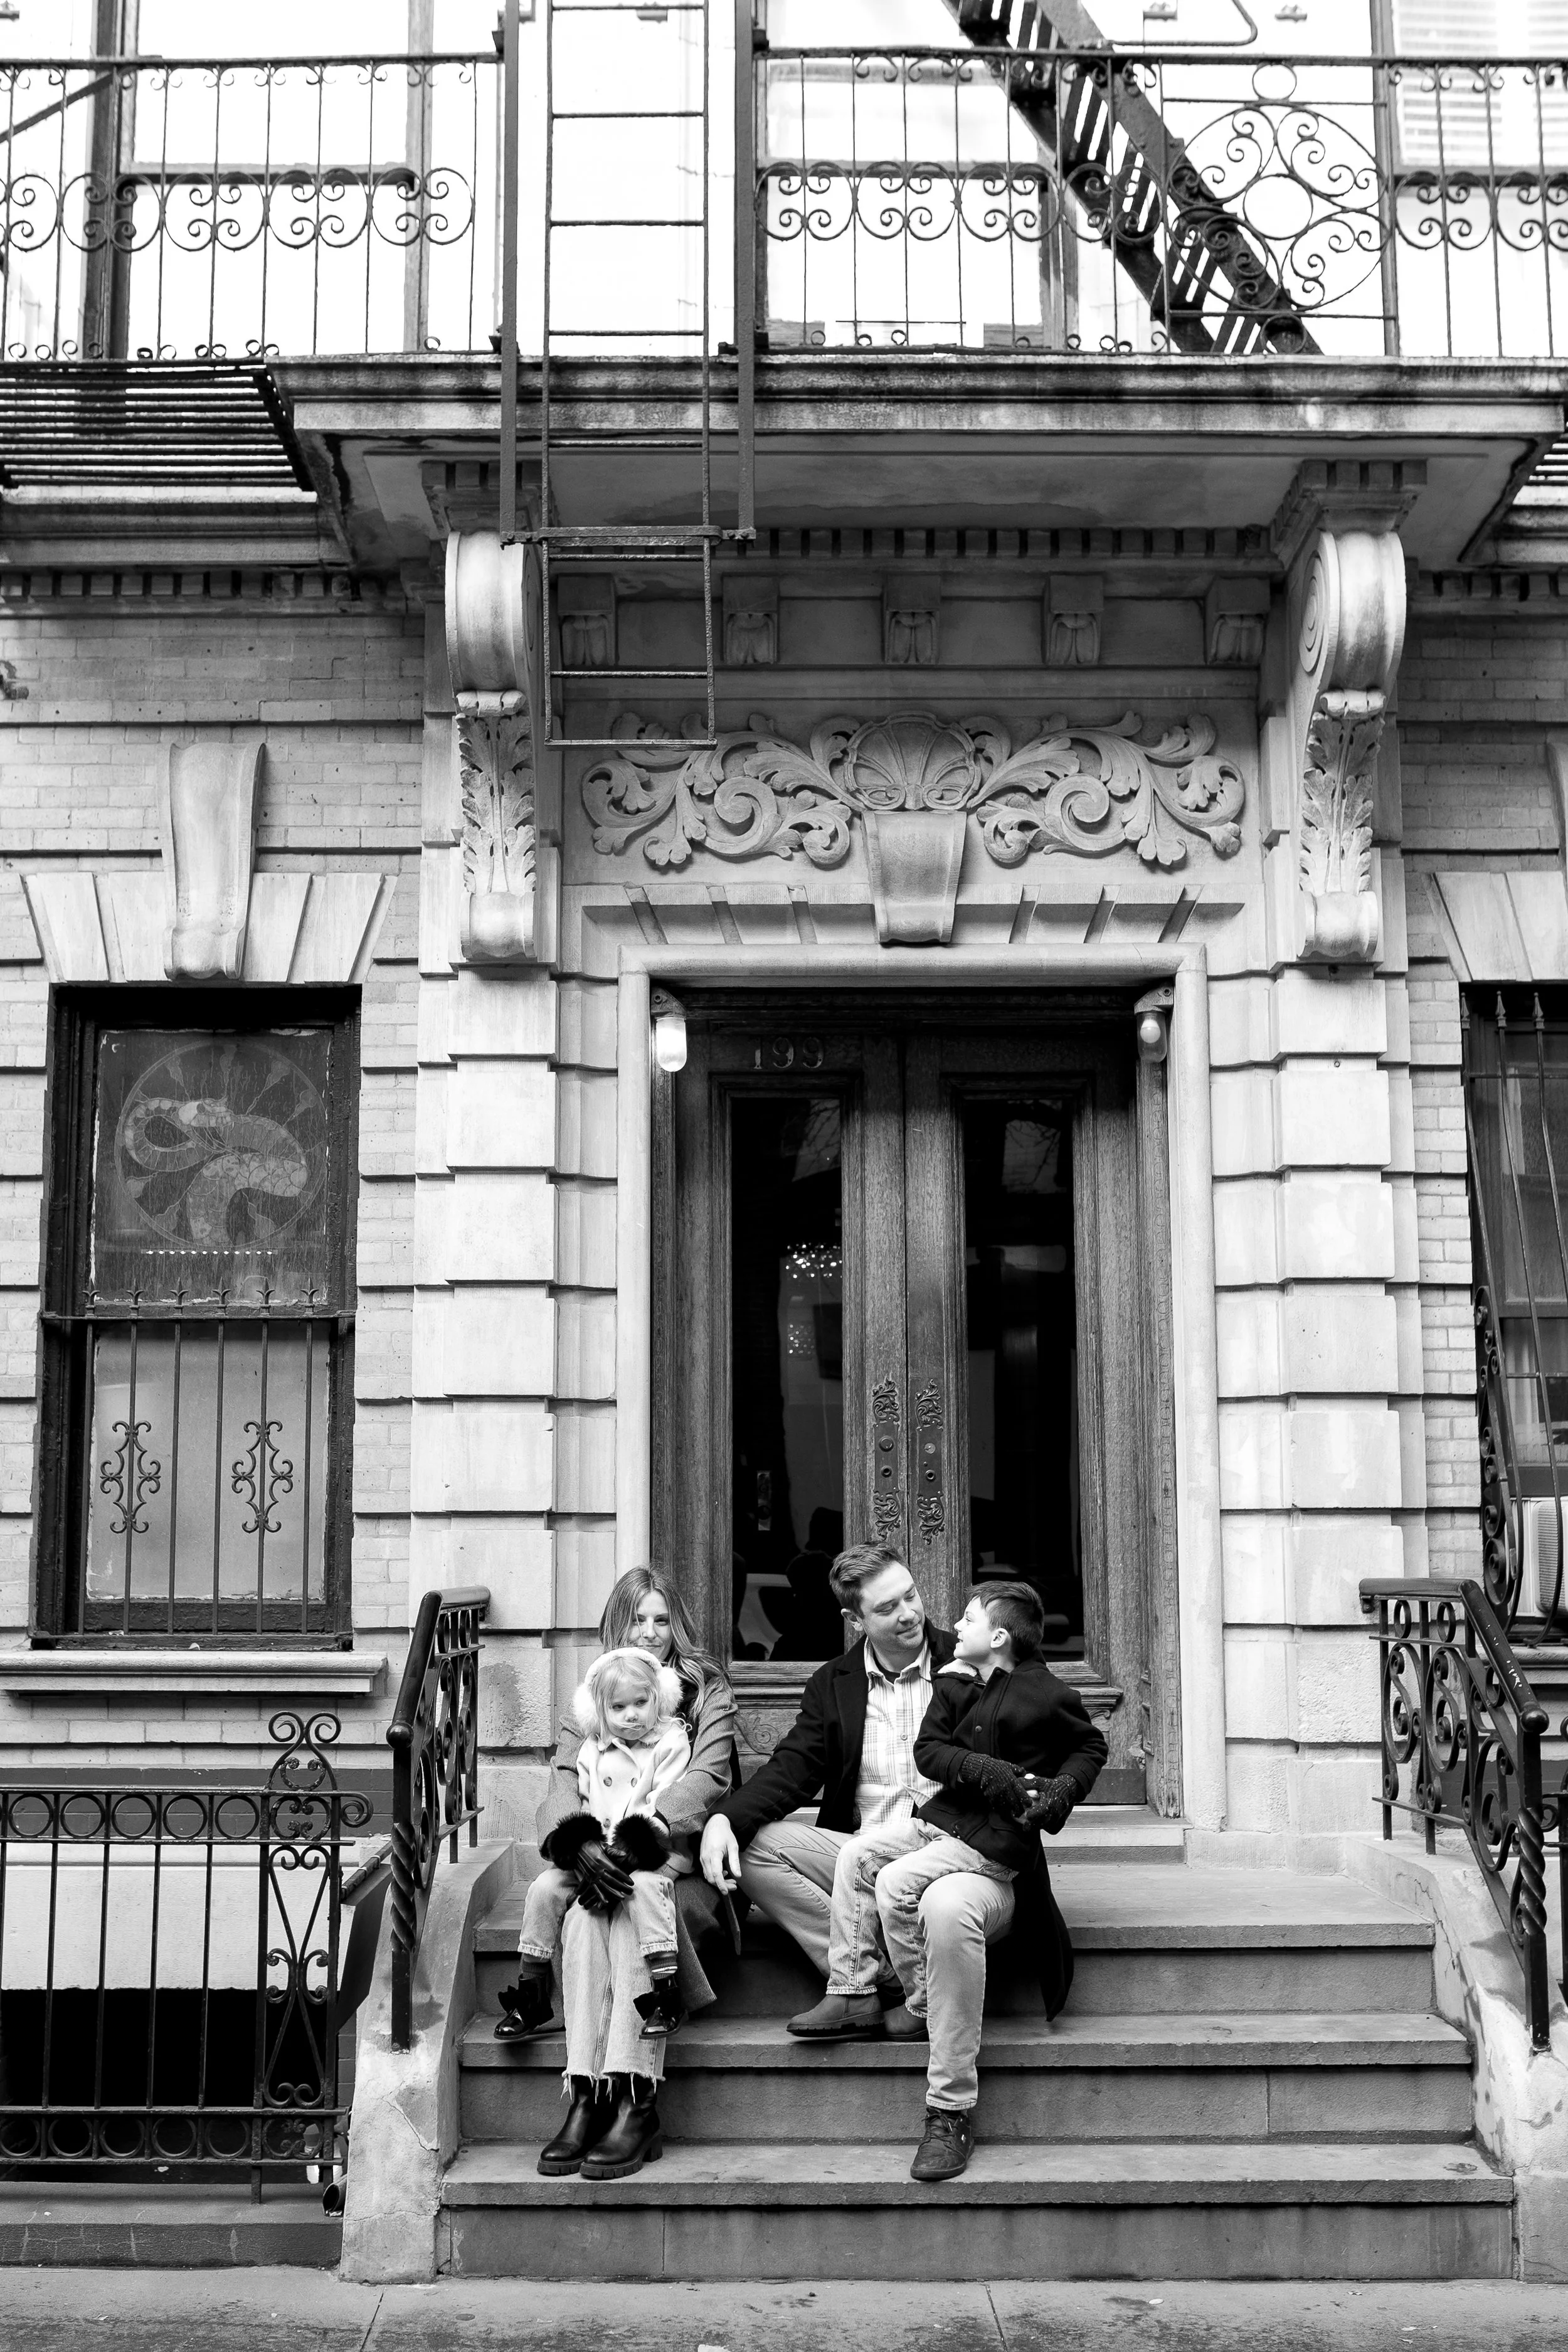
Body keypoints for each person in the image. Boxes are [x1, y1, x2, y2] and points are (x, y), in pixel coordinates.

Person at [838, 1581, 1107, 2183]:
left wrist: (1062, 1791)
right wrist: (976, 1766)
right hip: (942, 1826)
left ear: (1000, 1636)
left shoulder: (1046, 1694)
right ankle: (876, 1993)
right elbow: (929, 1751)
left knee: (920, 1894)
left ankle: (950, 2107)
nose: (951, 1624)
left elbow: (1089, 1746)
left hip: (996, 1849)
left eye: (967, 1617)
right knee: (863, 1862)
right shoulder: (955, 1681)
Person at [517, 1568, 739, 2183]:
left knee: (622, 1902)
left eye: (661, 1620)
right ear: (617, 1625)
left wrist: (635, 1845)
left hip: (684, 1874)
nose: (649, 1633)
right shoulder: (599, 1693)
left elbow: (707, 1780)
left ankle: (635, 2098)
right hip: (612, 1871)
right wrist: (583, 1846)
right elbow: (563, 1780)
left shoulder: (705, 1688)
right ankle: (590, 2098)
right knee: (592, 1910)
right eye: (637, 1619)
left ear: (677, 1627)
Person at [699, 1542, 957, 2025]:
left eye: (911, 1595)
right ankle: (881, 1973)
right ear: (854, 1619)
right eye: (887, 1607)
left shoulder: (968, 1665)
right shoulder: (833, 1682)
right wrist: (723, 1819)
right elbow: (790, 1770)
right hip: (862, 1860)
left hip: (947, 1859)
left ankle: (878, 1972)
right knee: (754, 1846)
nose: (909, 1614)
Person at [492, 1647, 692, 2048]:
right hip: (597, 1854)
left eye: (641, 1703)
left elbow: (667, 1800)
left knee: (648, 1892)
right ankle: (532, 1990)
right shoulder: (592, 1748)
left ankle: (665, 1989)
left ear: (660, 1698)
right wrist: (586, 1848)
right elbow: (580, 1800)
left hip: (649, 1852)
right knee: (544, 1889)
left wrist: (632, 1847)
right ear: (601, 1711)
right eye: (619, 1707)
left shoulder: (670, 1741)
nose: (631, 1715)